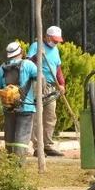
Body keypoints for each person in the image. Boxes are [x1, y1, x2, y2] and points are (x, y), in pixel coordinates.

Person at [27, 25, 66, 157]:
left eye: (57, 41)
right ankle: (38, 147)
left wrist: (61, 84)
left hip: (51, 86)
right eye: (54, 40)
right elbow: (28, 63)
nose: (55, 43)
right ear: (47, 36)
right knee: (38, 115)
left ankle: (48, 145)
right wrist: (38, 55)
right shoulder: (36, 46)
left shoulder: (55, 50)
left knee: (50, 116)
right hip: (38, 84)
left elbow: (58, 68)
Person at [0, 41, 38, 159]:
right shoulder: (28, 65)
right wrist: (37, 98)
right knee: (22, 138)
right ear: (21, 52)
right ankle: (19, 165)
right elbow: (40, 79)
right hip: (26, 107)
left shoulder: (2, 67)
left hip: (9, 109)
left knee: (9, 138)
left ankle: (9, 164)